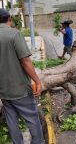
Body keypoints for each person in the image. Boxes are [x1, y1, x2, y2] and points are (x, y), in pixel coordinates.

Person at [0, 9, 45, 144]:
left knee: (11, 120)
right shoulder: (14, 34)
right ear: (9, 19)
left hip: (3, 90)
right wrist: (37, 80)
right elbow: (25, 61)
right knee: (32, 119)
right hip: (20, 89)